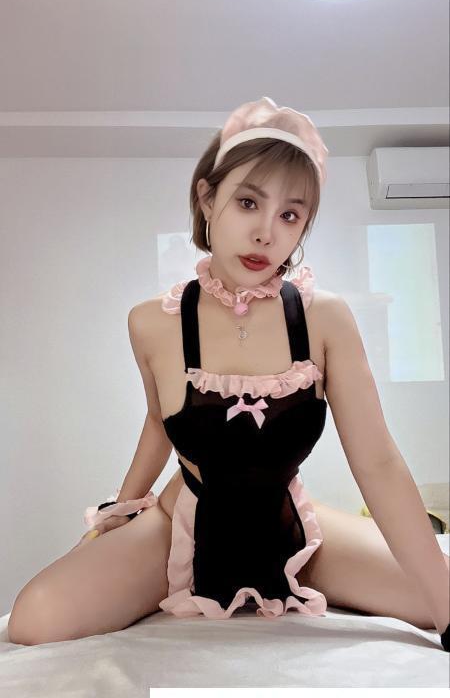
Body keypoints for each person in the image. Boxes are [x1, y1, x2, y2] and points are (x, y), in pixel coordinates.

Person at [8, 97, 450, 650]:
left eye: (290, 215)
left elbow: (379, 463)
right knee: (34, 620)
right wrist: (119, 513)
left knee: (438, 595)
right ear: (207, 198)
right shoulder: (151, 323)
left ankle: (297, 572)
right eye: (248, 202)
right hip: (181, 525)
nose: (266, 233)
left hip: (287, 522)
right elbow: (159, 419)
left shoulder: (325, 318)